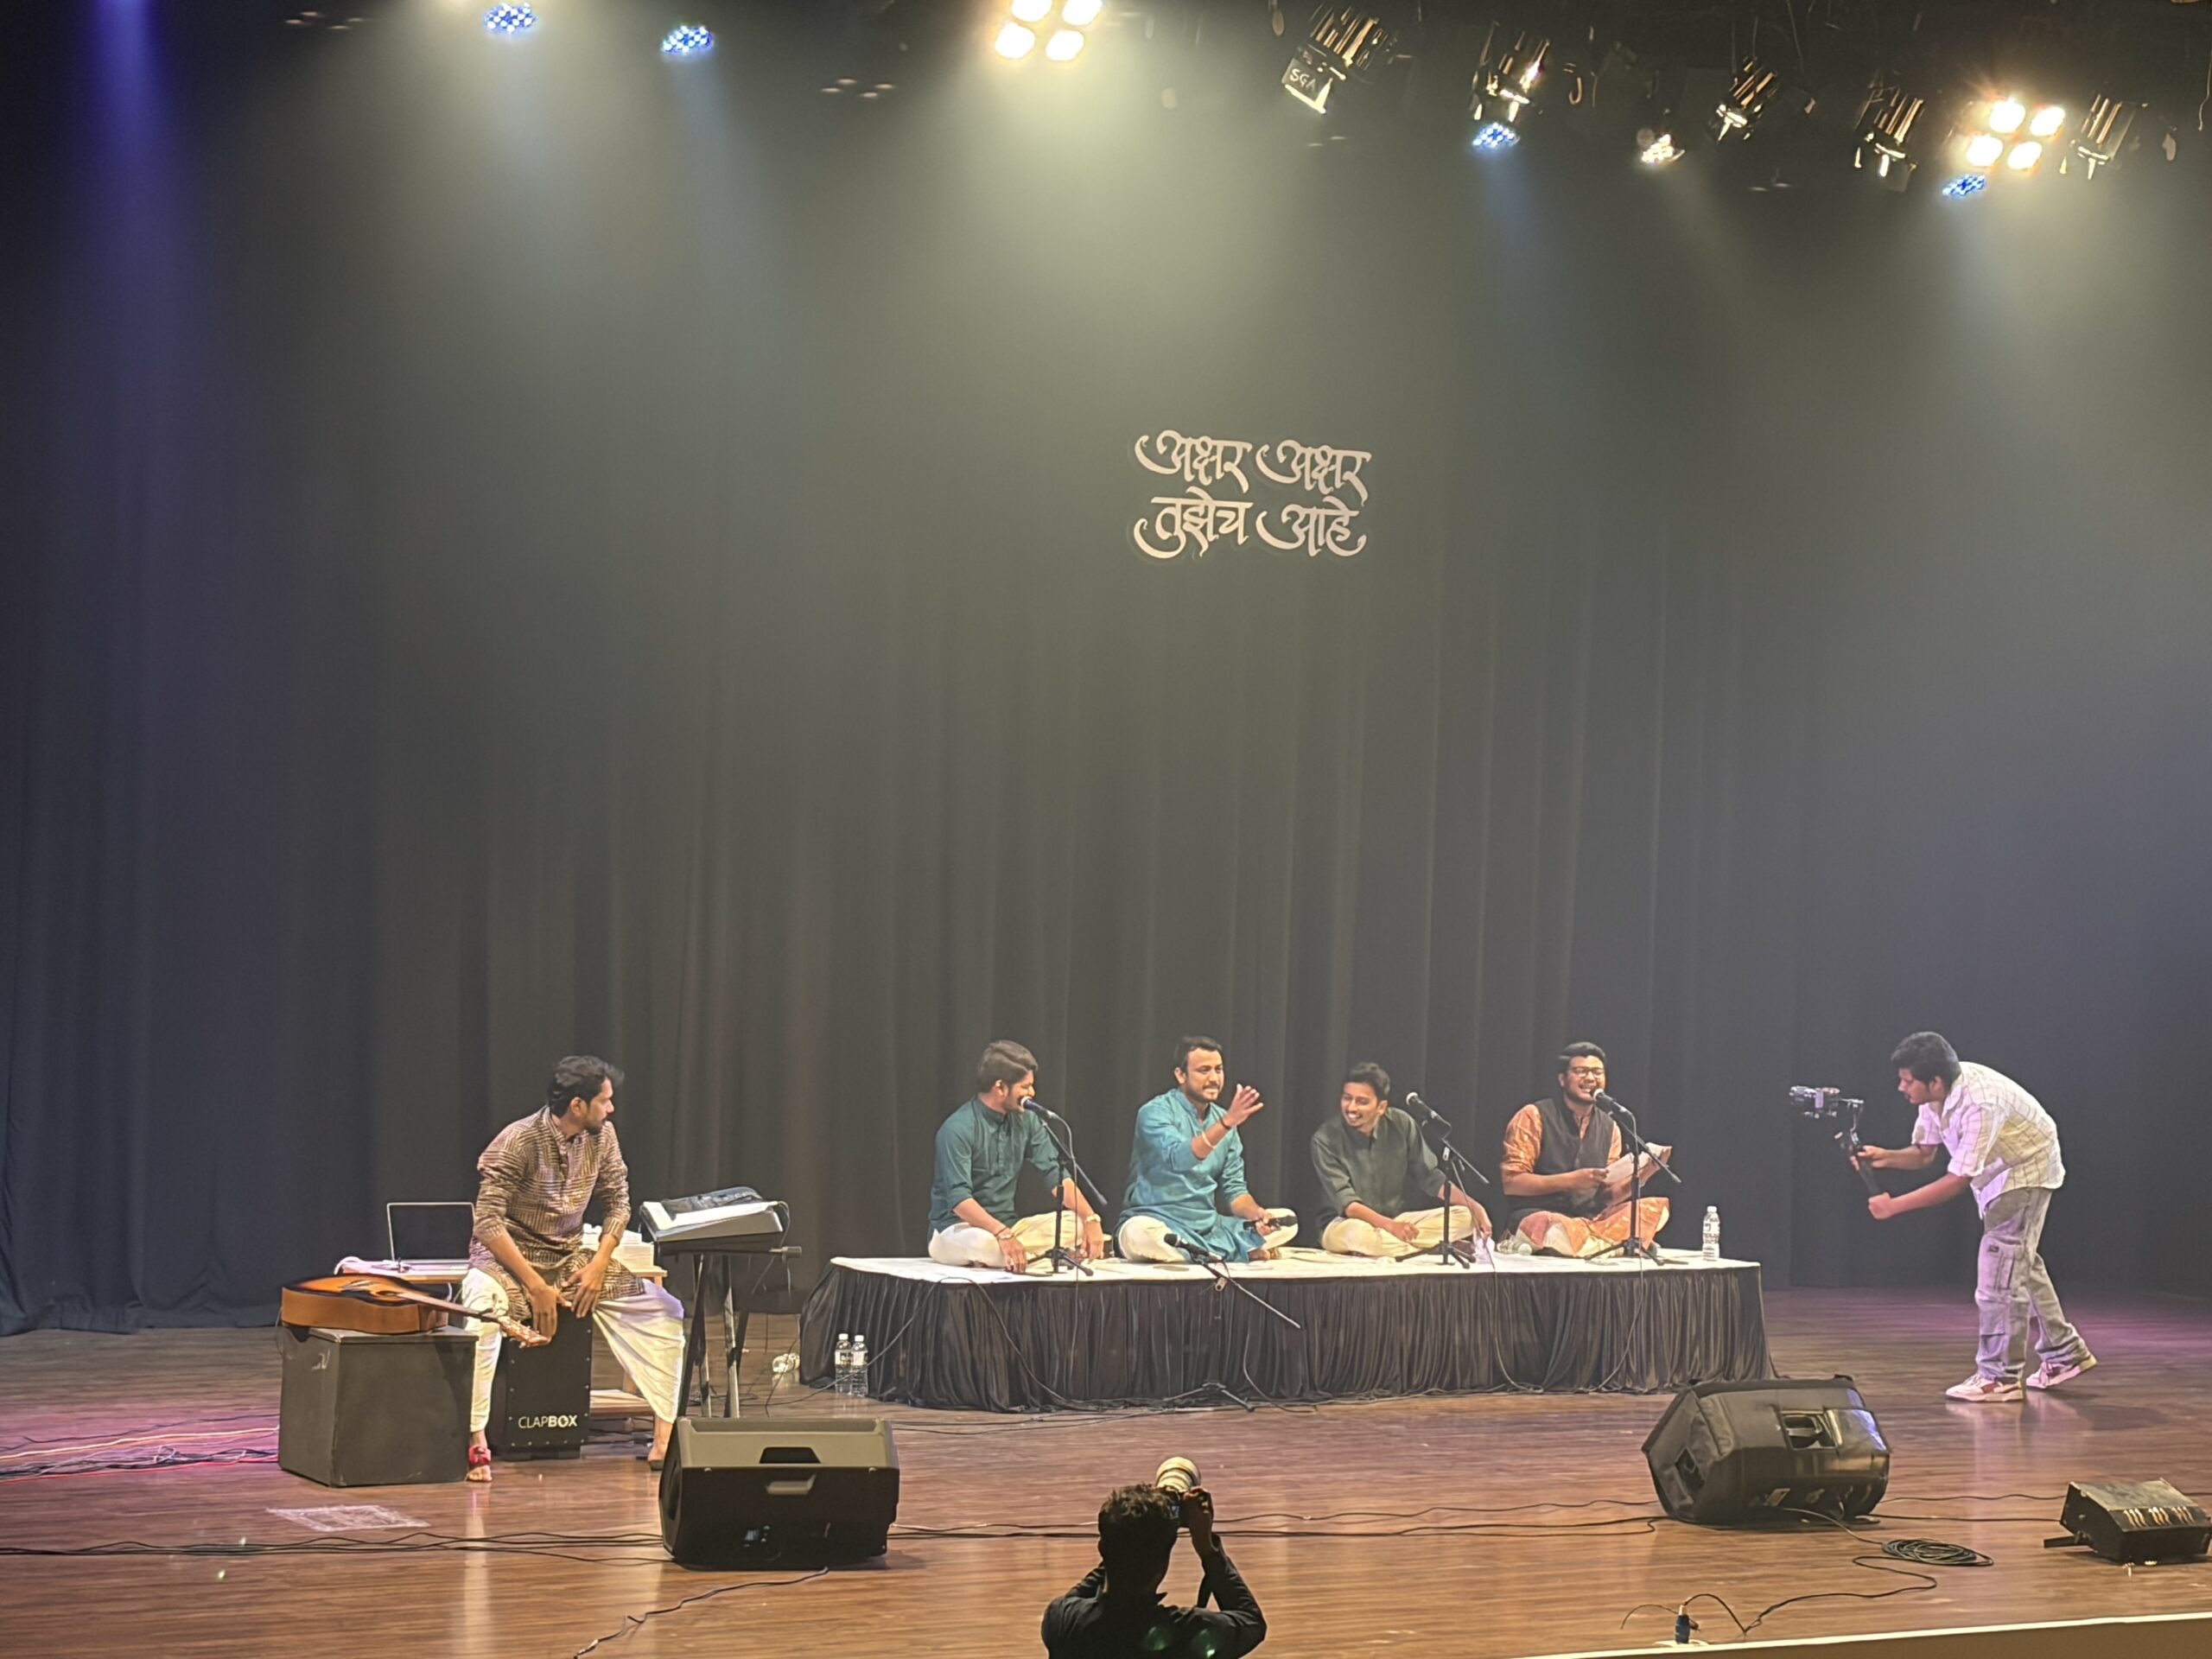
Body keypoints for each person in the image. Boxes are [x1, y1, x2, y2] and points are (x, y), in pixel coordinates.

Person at [460, 1056, 686, 1482]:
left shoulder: (603, 1137)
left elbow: (618, 1201)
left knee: (664, 1311)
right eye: (605, 1100)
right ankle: (477, 1441)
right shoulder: (518, 1140)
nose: (612, 1109)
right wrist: (533, 1285)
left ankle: (664, 1437)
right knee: (480, 1308)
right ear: (578, 1105)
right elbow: (487, 1223)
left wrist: (600, 1263)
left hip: (570, 1259)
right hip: (508, 1262)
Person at [1857, 1031, 2094, 1403]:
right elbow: (1924, 1153)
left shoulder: (1980, 1102)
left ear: (1935, 1081)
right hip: (1997, 1173)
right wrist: (1884, 1157)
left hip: (2024, 1171)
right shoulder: (1934, 1097)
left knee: (2000, 1272)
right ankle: (2064, 1352)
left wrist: (1894, 1206)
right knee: (2019, 1264)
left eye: (1907, 1080)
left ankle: (2000, 1377)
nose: (1901, 1087)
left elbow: (1955, 1181)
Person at [927, 1039, 1107, 1271]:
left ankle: (1023, 1254)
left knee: (1078, 1225)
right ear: (1000, 1087)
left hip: (1011, 1228)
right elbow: (959, 1199)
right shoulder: (958, 1129)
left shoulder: (1027, 1120)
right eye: (1025, 1087)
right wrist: (1000, 1233)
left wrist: (1091, 1218)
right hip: (957, 1229)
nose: (1032, 1093)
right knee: (985, 1245)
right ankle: (1045, 1254)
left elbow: (1055, 1174)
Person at [1118, 1036, 1298, 1263]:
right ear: (1180, 1075)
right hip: (1158, 1220)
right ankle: (1231, 1251)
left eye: (1218, 1070)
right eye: (1204, 1070)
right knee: (1140, 1235)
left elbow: (1234, 1191)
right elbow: (1180, 1158)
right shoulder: (1155, 1112)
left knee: (1287, 1220)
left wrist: (1258, 1214)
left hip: (1207, 1226)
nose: (1214, 1078)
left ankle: (1201, 1252)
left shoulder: (1225, 1120)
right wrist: (1225, 1124)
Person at [1042, 1482, 1266, 1659]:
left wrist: (1129, 1529)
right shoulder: (1185, 1632)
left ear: (1102, 1547)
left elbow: (1110, 1562)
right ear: (1162, 1567)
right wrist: (1207, 1549)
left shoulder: (1061, 1620)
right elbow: (1251, 1622)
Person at [1498, 1042, 1669, 1256]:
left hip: (1590, 1220)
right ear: (1562, 1079)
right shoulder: (1533, 1116)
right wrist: (1572, 1180)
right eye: (1581, 1071)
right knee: (1553, 1226)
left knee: (1651, 1210)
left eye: (1597, 1072)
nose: (1590, 1078)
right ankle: (1608, 1246)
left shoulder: (1610, 1127)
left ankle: (1595, 1245)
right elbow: (1512, 1183)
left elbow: (1606, 1197)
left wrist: (1643, 1175)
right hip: (1540, 1215)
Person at [1312, 1061, 1491, 1257]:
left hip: (1396, 1221)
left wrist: (1475, 1206)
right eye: (1347, 1098)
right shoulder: (1326, 1139)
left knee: (1467, 1216)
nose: (1351, 1107)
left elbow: (1431, 1178)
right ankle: (1429, 1247)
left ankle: (1399, 1248)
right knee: (1358, 1234)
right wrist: (1389, 1226)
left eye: (1362, 1101)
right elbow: (1349, 1206)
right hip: (1343, 1224)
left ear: (1381, 1107)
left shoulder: (1401, 1123)